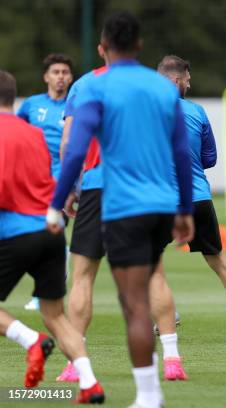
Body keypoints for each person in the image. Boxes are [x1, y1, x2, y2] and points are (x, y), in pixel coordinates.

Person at [46, 11, 194, 408]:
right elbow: (181, 152)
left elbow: (73, 149)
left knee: (90, 281)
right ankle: (173, 357)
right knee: (156, 276)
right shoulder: (163, 88)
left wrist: (61, 197)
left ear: (102, 48)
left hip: (110, 195)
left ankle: (136, 391)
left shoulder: (91, 86)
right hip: (162, 200)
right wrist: (184, 208)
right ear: (140, 46)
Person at [0, 70, 104, 403]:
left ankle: (31, 340)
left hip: (16, 233)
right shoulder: (33, 134)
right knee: (56, 315)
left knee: (43, 324)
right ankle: (89, 383)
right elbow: (48, 176)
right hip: (51, 229)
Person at [157, 55, 226, 339]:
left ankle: (165, 312)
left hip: (162, 200)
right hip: (198, 197)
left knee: (143, 259)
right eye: (187, 80)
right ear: (175, 80)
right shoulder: (197, 112)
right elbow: (210, 158)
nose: (189, 85)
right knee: (217, 259)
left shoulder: (145, 111)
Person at [17, 53, 74, 311]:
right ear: (46, 77)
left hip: (63, 181)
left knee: (50, 232)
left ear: (70, 77)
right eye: (56, 72)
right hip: (33, 181)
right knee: (34, 236)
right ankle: (51, 284)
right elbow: (14, 135)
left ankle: (46, 293)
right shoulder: (31, 105)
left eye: (64, 72)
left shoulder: (76, 105)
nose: (60, 76)